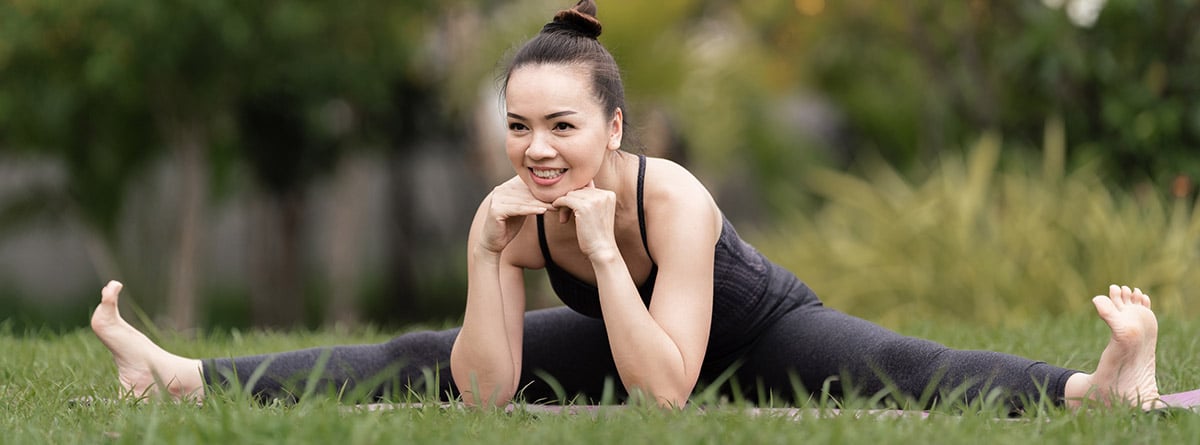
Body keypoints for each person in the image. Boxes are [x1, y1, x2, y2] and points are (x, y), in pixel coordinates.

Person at [90, 0, 1163, 411]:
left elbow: (668, 397)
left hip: (755, 330)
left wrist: (604, 256)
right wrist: (486, 259)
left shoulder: (677, 201)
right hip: (631, 335)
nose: (538, 148)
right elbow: (481, 397)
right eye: (521, 126)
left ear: (614, 129)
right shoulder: (503, 209)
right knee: (410, 348)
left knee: (907, 367)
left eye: (563, 126)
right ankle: (179, 371)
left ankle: (1100, 385)